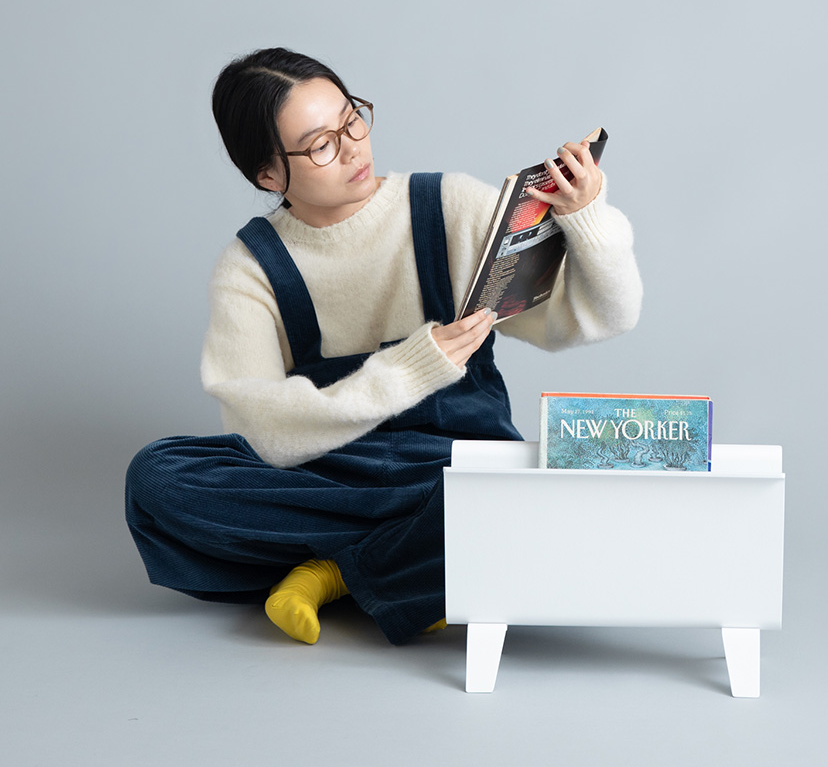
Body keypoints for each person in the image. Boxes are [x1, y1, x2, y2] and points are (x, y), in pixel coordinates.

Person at [125, 47, 642, 647]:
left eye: (352, 120)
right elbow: (261, 430)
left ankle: (336, 572)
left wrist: (588, 218)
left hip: (452, 466)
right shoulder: (251, 266)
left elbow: (602, 319)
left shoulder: (447, 206)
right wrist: (409, 370)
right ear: (267, 175)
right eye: (321, 145)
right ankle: (426, 563)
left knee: (541, 493)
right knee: (157, 480)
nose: (353, 149)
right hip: (330, 478)